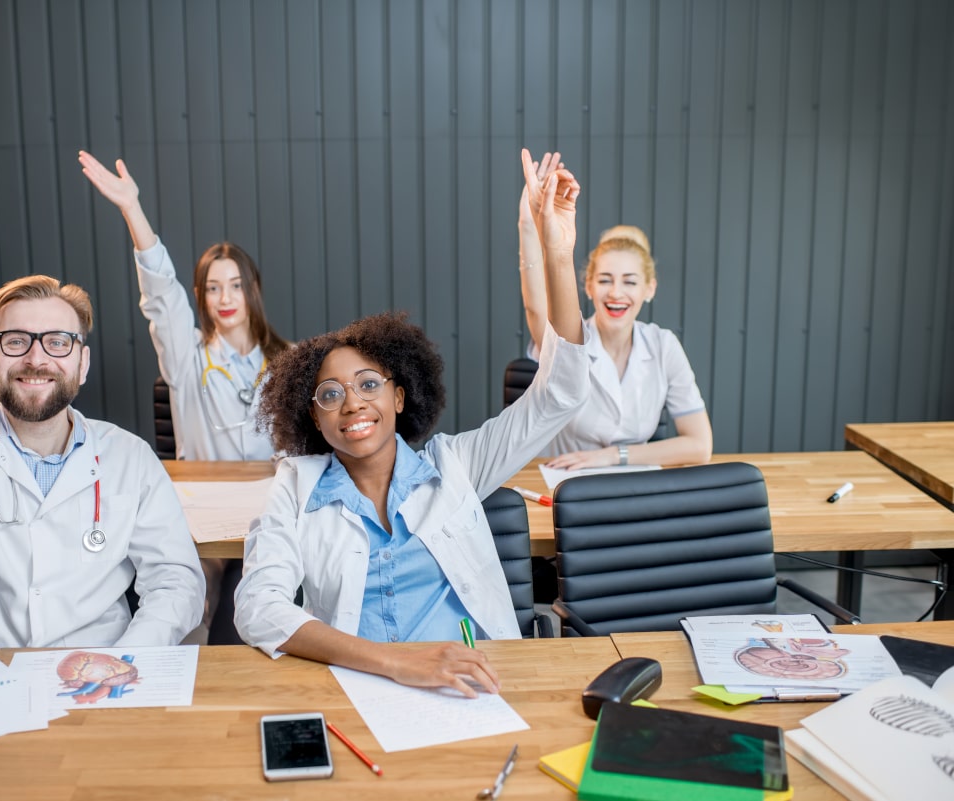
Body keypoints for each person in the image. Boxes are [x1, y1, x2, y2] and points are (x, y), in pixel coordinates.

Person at [233, 150, 590, 698]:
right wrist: (395, 663)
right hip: (364, 690)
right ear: (314, 417)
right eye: (331, 394)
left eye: (369, 384)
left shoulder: (457, 465)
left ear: (400, 396)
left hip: (477, 686)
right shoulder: (296, 488)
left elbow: (560, 391)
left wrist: (557, 252)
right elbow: (259, 608)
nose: (353, 403)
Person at [0, 76, 205, 648]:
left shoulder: (128, 459)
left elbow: (175, 581)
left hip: (98, 689)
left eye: (57, 342)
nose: (36, 358)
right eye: (15, 340)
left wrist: (125, 661)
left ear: (82, 363)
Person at [78, 150, 290, 643]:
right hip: (205, 513)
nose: (225, 298)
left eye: (236, 284)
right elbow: (161, 298)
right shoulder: (187, 357)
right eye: (213, 288)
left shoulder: (289, 360)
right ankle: (168, 691)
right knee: (195, 599)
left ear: (252, 289)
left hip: (271, 510)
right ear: (200, 295)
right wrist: (133, 210)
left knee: (268, 606)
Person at [517, 187, 712, 469]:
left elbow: (700, 445)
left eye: (630, 282)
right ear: (588, 286)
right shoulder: (570, 341)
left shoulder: (663, 345)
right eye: (605, 280)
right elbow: (536, 308)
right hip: (564, 485)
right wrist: (529, 223)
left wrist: (612, 456)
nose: (616, 293)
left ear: (649, 288)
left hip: (633, 485)